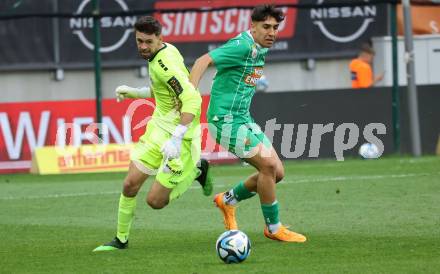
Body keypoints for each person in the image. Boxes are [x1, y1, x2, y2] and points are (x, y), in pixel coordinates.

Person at [93, 16, 212, 252]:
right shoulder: (161, 54)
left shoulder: (165, 65)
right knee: (129, 185)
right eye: (139, 41)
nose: (143, 46)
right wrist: (135, 92)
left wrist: (177, 138)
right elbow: (165, 90)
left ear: (160, 38)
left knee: (155, 202)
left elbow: (192, 99)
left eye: (148, 41)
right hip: (158, 128)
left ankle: (198, 168)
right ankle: (121, 240)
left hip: (181, 137)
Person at [190, 4, 306, 243]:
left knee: (277, 173)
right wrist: (190, 96)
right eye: (266, 27)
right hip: (224, 122)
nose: (272, 32)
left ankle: (228, 200)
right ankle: (273, 228)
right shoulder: (242, 45)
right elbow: (203, 60)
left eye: (275, 27)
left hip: (243, 119)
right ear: (252, 26)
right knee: (267, 167)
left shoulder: (260, 47)